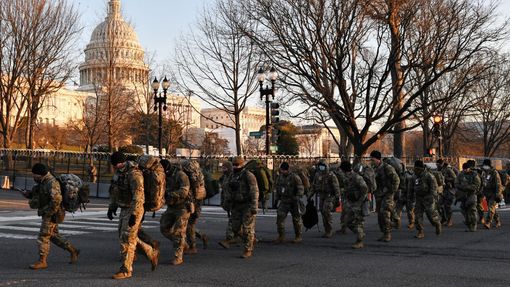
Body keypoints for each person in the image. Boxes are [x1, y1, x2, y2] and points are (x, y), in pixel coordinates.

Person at [107, 151, 159, 279]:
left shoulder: (134, 174)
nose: (113, 167)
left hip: (134, 209)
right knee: (125, 236)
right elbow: (115, 190)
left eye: (114, 164)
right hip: (125, 208)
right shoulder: (119, 173)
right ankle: (150, 252)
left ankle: (126, 269)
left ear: (118, 163)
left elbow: (139, 197)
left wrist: (134, 215)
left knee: (127, 239)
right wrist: (112, 207)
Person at [24, 163, 79, 270]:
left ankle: (42, 261)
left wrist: (48, 214)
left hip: (52, 214)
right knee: (53, 236)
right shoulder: (43, 182)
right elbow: (42, 195)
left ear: (40, 174)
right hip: (49, 212)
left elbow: (56, 200)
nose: (33, 177)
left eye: (34, 175)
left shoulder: (52, 183)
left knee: (43, 236)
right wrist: (29, 194)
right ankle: (73, 250)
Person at [159, 159, 192, 265]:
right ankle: (183, 244)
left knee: (179, 232)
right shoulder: (163, 175)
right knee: (164, 228)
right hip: (172, 206)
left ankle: (178, 257)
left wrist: (170, 194)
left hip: (183, 207)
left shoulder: (181, 175)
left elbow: (184, 191)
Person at [225, 156, 259, 258]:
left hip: (247, 205)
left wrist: (254, 206)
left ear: (242, 164)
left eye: (237, 165)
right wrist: (227, 202)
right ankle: (251, 239)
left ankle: (247, 249)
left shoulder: (248, 175)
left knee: (247, 228)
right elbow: (228, 189)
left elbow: (254, 191)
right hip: (236, 205)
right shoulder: (232, 175)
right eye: (234, 165)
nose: (235, 167)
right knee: (235, 228)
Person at [370, 151, 400, 242]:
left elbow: (396, 180)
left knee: (385, 213)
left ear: (378, 159)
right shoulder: (373, 168)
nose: (371, 161)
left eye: (372, 159)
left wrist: (392, 192)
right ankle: (385, 231)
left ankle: (388, 234)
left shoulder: (387, 167)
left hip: (388, 194)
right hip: (379, 194)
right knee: (380, 216)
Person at [339, 161, 368, 249]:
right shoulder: (345, 177)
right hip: (350, 202)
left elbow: (365, 189)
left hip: (357, 203)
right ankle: (361, 234)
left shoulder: (356, 177)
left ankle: (360, 241)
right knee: (347, 221)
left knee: (358, 221)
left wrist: (360, 201)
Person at [410, 160, 442, 239]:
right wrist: (410, 198)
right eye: (415, 169)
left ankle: (437, 223)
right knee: (418, 216)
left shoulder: (429, 176)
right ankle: (420, 232)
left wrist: (433, 198)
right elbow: (410, 189)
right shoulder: (413, 177)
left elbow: (434, 188)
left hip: (428, 198)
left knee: (431, 215)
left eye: (417, 169)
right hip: (418, 198)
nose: (415, 170)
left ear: (420, 169)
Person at [309, 159, 341, 238]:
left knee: (326, 211)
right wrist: (310, 195)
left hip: (329, 196)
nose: (321, 168)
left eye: (323, 166)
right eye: (320, 166)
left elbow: (336, 187)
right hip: (322, 195)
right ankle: (326, 230)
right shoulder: (317, 175)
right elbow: (314, 186)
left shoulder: (331, 175)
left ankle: (329, 230)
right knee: (323, 213)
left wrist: (337, 198)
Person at [274, 162, 305, 244]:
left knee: (296, 219)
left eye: (284, 170)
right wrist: (276, 200)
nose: (282, 172)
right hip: (284, 201)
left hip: (293, 201)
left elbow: (300, 187)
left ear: (287, 170)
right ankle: (281, 236)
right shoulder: (280, 177)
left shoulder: (294, 177)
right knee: (280, 218)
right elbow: (278, 188)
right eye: (281, 170)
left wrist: (298, 196)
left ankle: (298, 236)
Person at [455, 162, 481, 232]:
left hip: (471, 194)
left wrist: (467, 187)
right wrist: (461, 187)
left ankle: (474, 225)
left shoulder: (474, 175)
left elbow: (477, 185)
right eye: (464, 169)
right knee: (463, 209)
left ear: (469, 168)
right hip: (463, 195)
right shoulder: (460, 174)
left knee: (472, 209)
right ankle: (469, 223)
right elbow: (456, 183)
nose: (465, 170)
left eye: (466, 169)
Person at [481, 159, 503, 229]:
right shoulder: (484, 173)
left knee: (491, 208)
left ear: (488, 165)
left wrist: (498, 194)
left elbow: (498, 184)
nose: (484, 167)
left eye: (485, 165)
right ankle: (497, 221)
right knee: (492, 208)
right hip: (487, 194)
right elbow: (484, 183)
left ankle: (488, 222)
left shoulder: (494, 173)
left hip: (494, 193)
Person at [437, 159, 457, 227]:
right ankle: (444, 218)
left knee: (447, 206)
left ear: (441, 164)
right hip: (443, 190)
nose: (437, 166)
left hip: (449, 190)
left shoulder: (448, 169)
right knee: (438, 205)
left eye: (438, 165)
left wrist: (446, 179)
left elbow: (455, 178)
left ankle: (449, 220)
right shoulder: (439, 170)